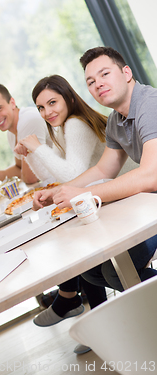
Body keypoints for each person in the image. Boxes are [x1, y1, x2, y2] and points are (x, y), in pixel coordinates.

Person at [34, 46, 157, 306]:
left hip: (151, 204)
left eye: (105, 74)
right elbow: (103, 170)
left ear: (126, 73)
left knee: (116, 271)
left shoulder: (150, 104)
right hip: (148, 205)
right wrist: (59, 191)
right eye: (91, 81)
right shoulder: (116, 119)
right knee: (91, 270)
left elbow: (150, 176)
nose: (98, 84)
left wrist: (82, 194)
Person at [13, 76, 113, 348]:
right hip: (103, 197)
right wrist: (29, 154)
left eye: (52, 102)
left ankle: (91, 318)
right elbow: (53, 173)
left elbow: (73, 174)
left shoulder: (76, 124)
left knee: (77, 242)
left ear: (69, 98)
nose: (48, 112)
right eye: (41, 108)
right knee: (72, 235)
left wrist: (36, 147)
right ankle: (94, 320)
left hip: (121, 199)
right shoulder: (62, 127)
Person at [0, 83, 51, 184]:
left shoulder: (28, 121)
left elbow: (30, 178)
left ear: (12, 103)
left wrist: (23, 175)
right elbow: (19, 168)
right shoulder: (11, 133)